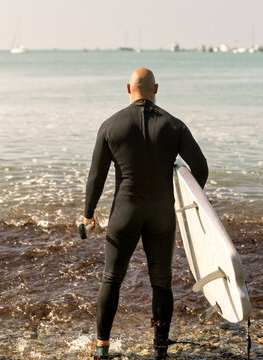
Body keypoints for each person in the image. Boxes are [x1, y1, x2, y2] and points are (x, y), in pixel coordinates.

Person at [83, 68, 208, 359]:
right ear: (156, 89)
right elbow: (200, 167)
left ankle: (102, 347)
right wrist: (187, 201)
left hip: (125, 211)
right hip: (162, 213)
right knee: (161, 281)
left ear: (129, 88)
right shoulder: (174, 126)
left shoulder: (110, 125)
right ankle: (160, 347)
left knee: (111, 279)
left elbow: (96, 176)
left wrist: (88, 213)